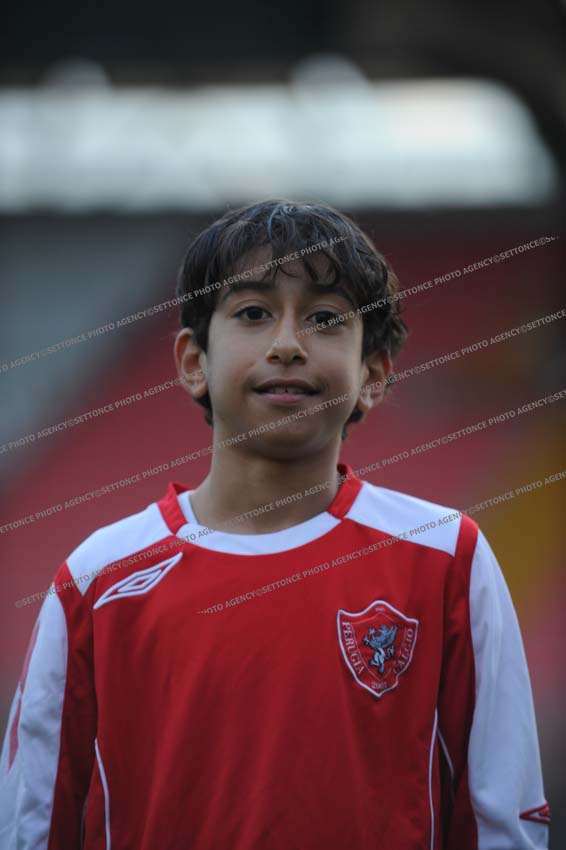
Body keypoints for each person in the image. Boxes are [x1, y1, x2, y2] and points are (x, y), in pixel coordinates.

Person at [0, 200, 550, 849]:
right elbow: (31, 825)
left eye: (325, 318)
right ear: (193, 362)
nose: (287, 344)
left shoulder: (446, 557)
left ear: (373, 374)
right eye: (253, 313)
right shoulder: (98, 578)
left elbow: (501, 823)